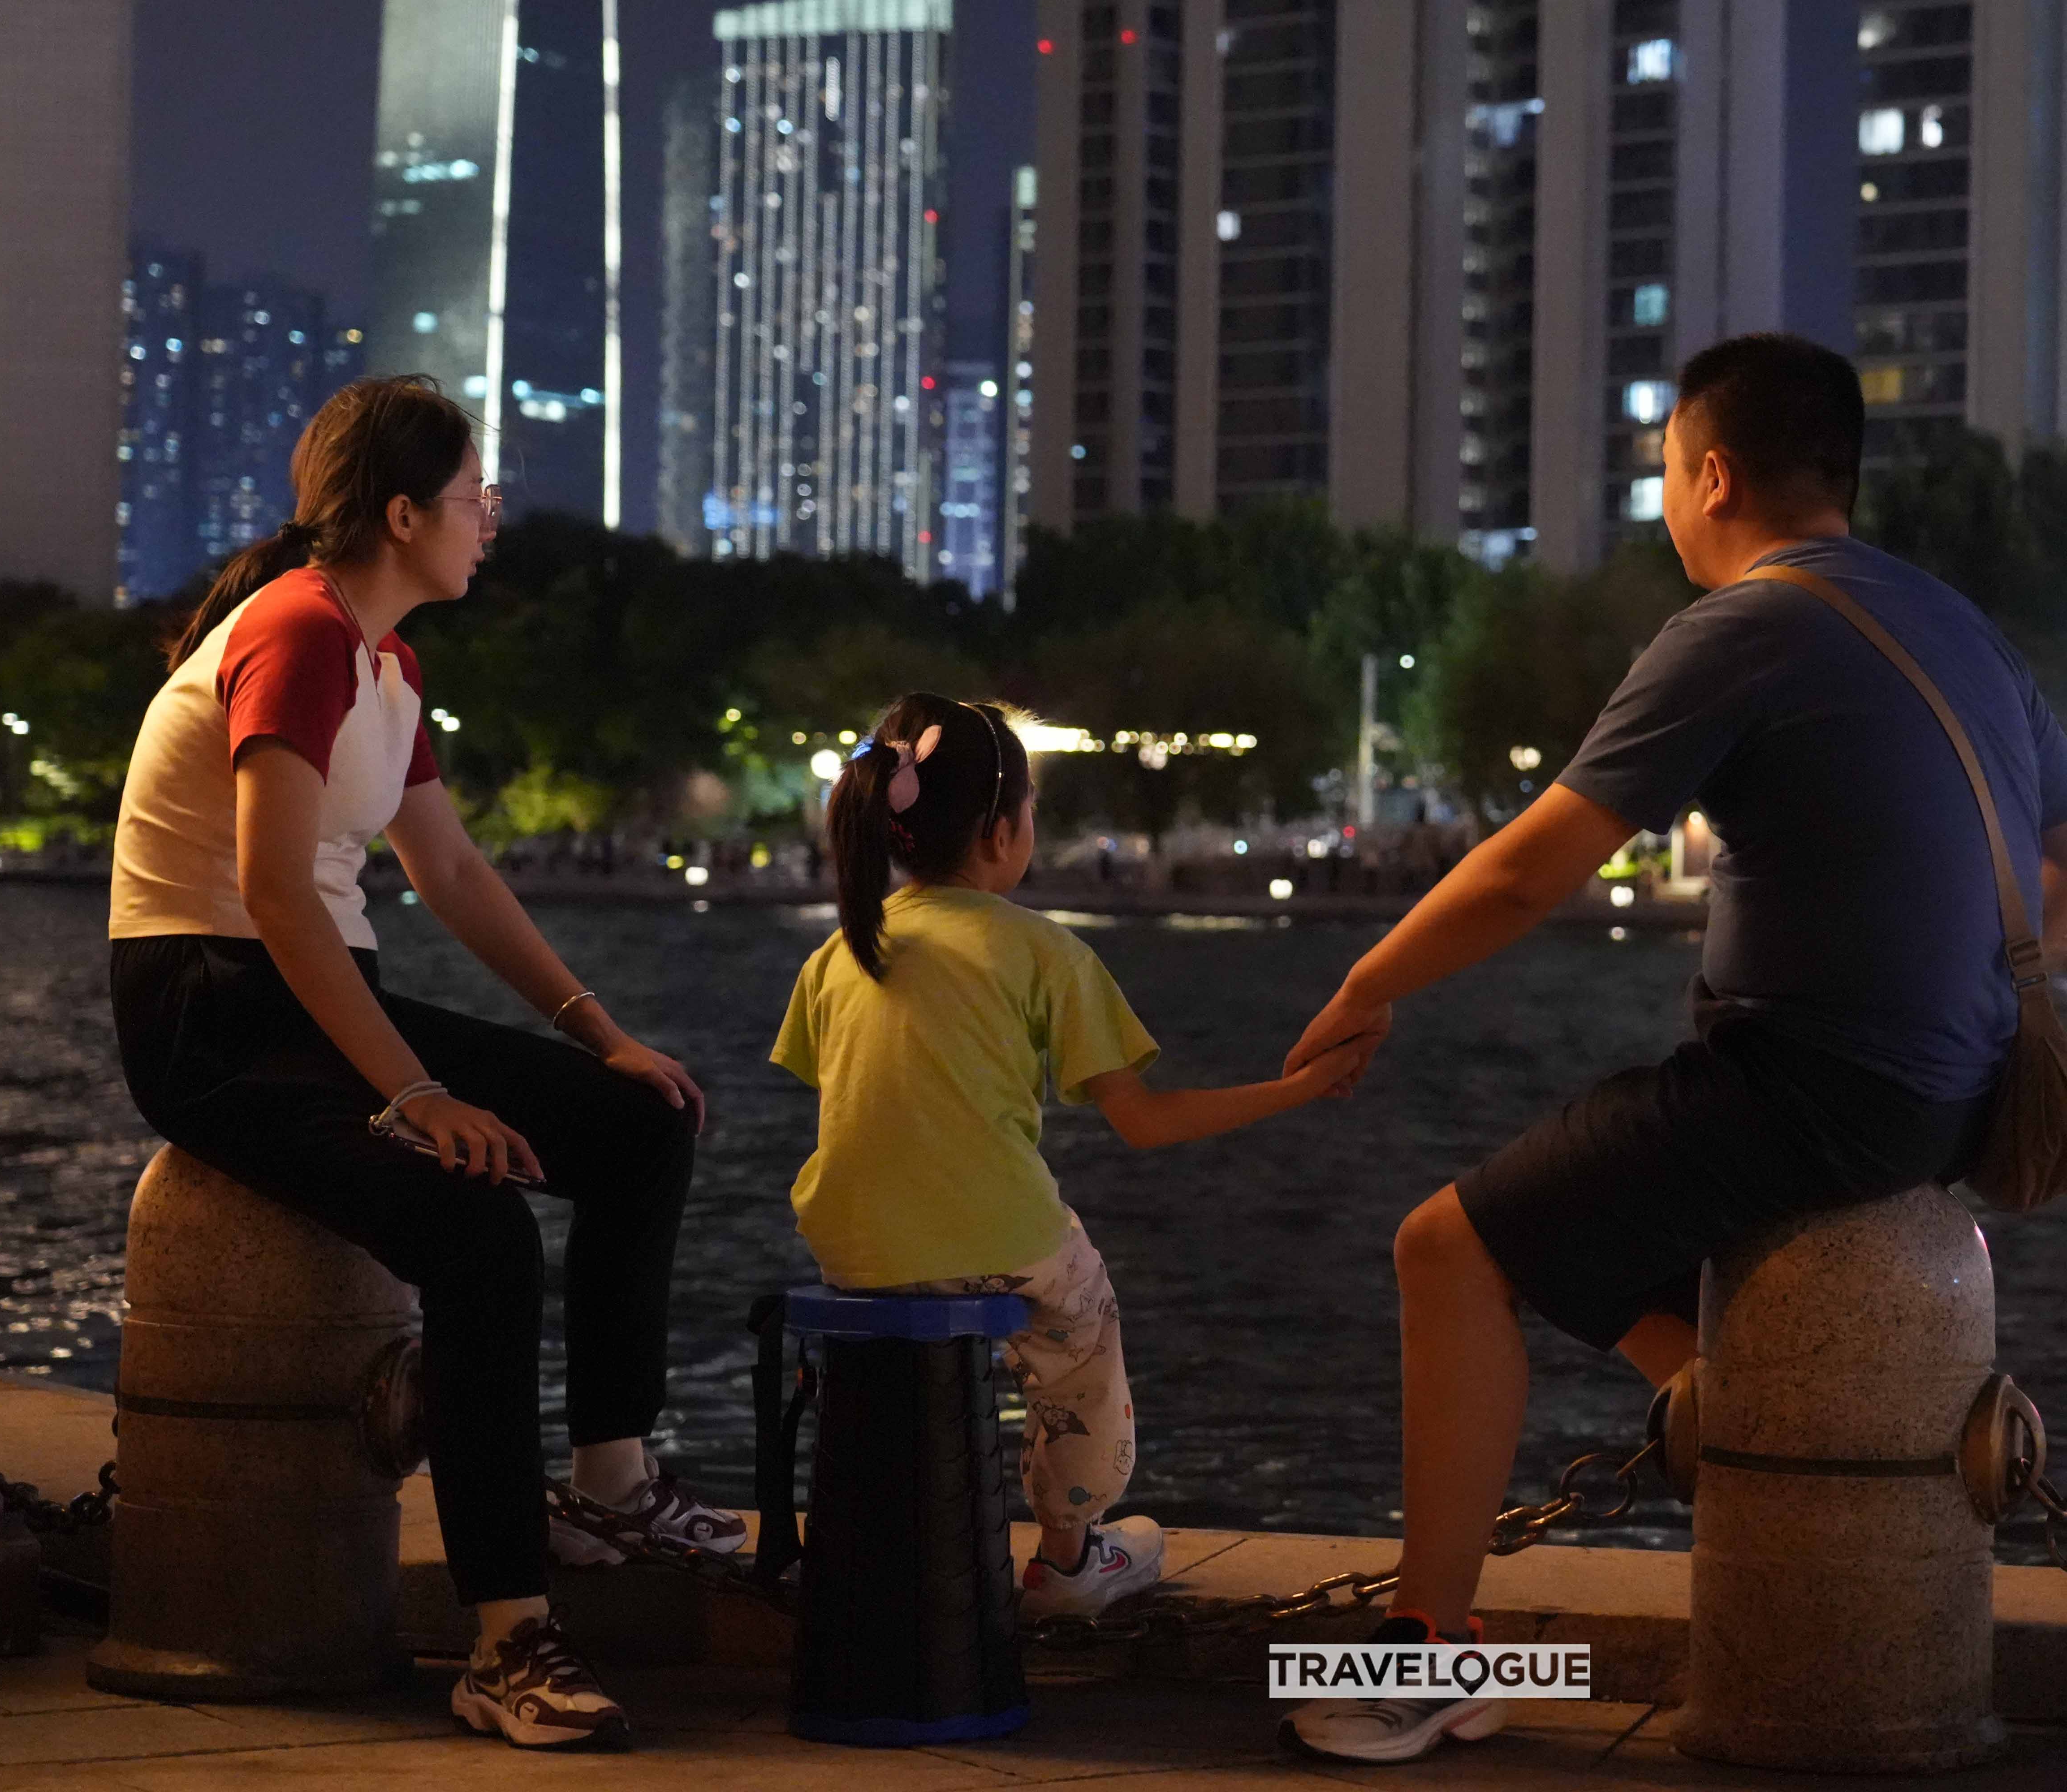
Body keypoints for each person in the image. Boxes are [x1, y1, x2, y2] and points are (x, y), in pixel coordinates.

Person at [1275, 333, 2067, 1763]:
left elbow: (1525, 874)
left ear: (1715, 474)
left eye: (1665, 473)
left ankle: (1428, 1656)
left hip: (1815, 1089)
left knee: (1448, 1249)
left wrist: (1366, 981)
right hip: (1956, 1091)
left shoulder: (1745, 626)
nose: (1665, 502)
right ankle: (1728, 1395)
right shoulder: (1955, 621)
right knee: (1586, 1229)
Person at [108, 377, 739, 1754]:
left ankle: (611, 1485)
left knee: (637, 1125)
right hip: (211, 1009)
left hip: (317, 989)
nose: (491, 521)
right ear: (401, 515)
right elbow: (273, 894)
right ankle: (508, 1640)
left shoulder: (383, 658)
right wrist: (416, 1096)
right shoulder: (297, 634)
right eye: (471, 498)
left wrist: (597, 1030)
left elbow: (445, 868)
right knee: (479, 1230)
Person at [776, 691, 1379, 1616]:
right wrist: (1297, 1087)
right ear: (1002, 829)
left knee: (975, 1273)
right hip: (994, 1235)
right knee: (1080, 1332)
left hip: (850, 1246)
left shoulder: (837, 952)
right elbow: (1145, 1119)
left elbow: (866, 1104)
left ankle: (890, 1527)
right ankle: (1067, 1556)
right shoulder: (1042, 951)